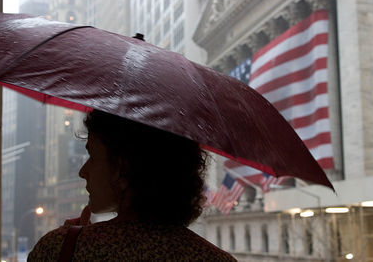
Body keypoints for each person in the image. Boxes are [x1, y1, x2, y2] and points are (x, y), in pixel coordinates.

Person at [28, 110, 236, 261]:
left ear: (121, 168)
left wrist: (72, 243)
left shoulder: (59, 249)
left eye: (92, 156)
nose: (83, 171)